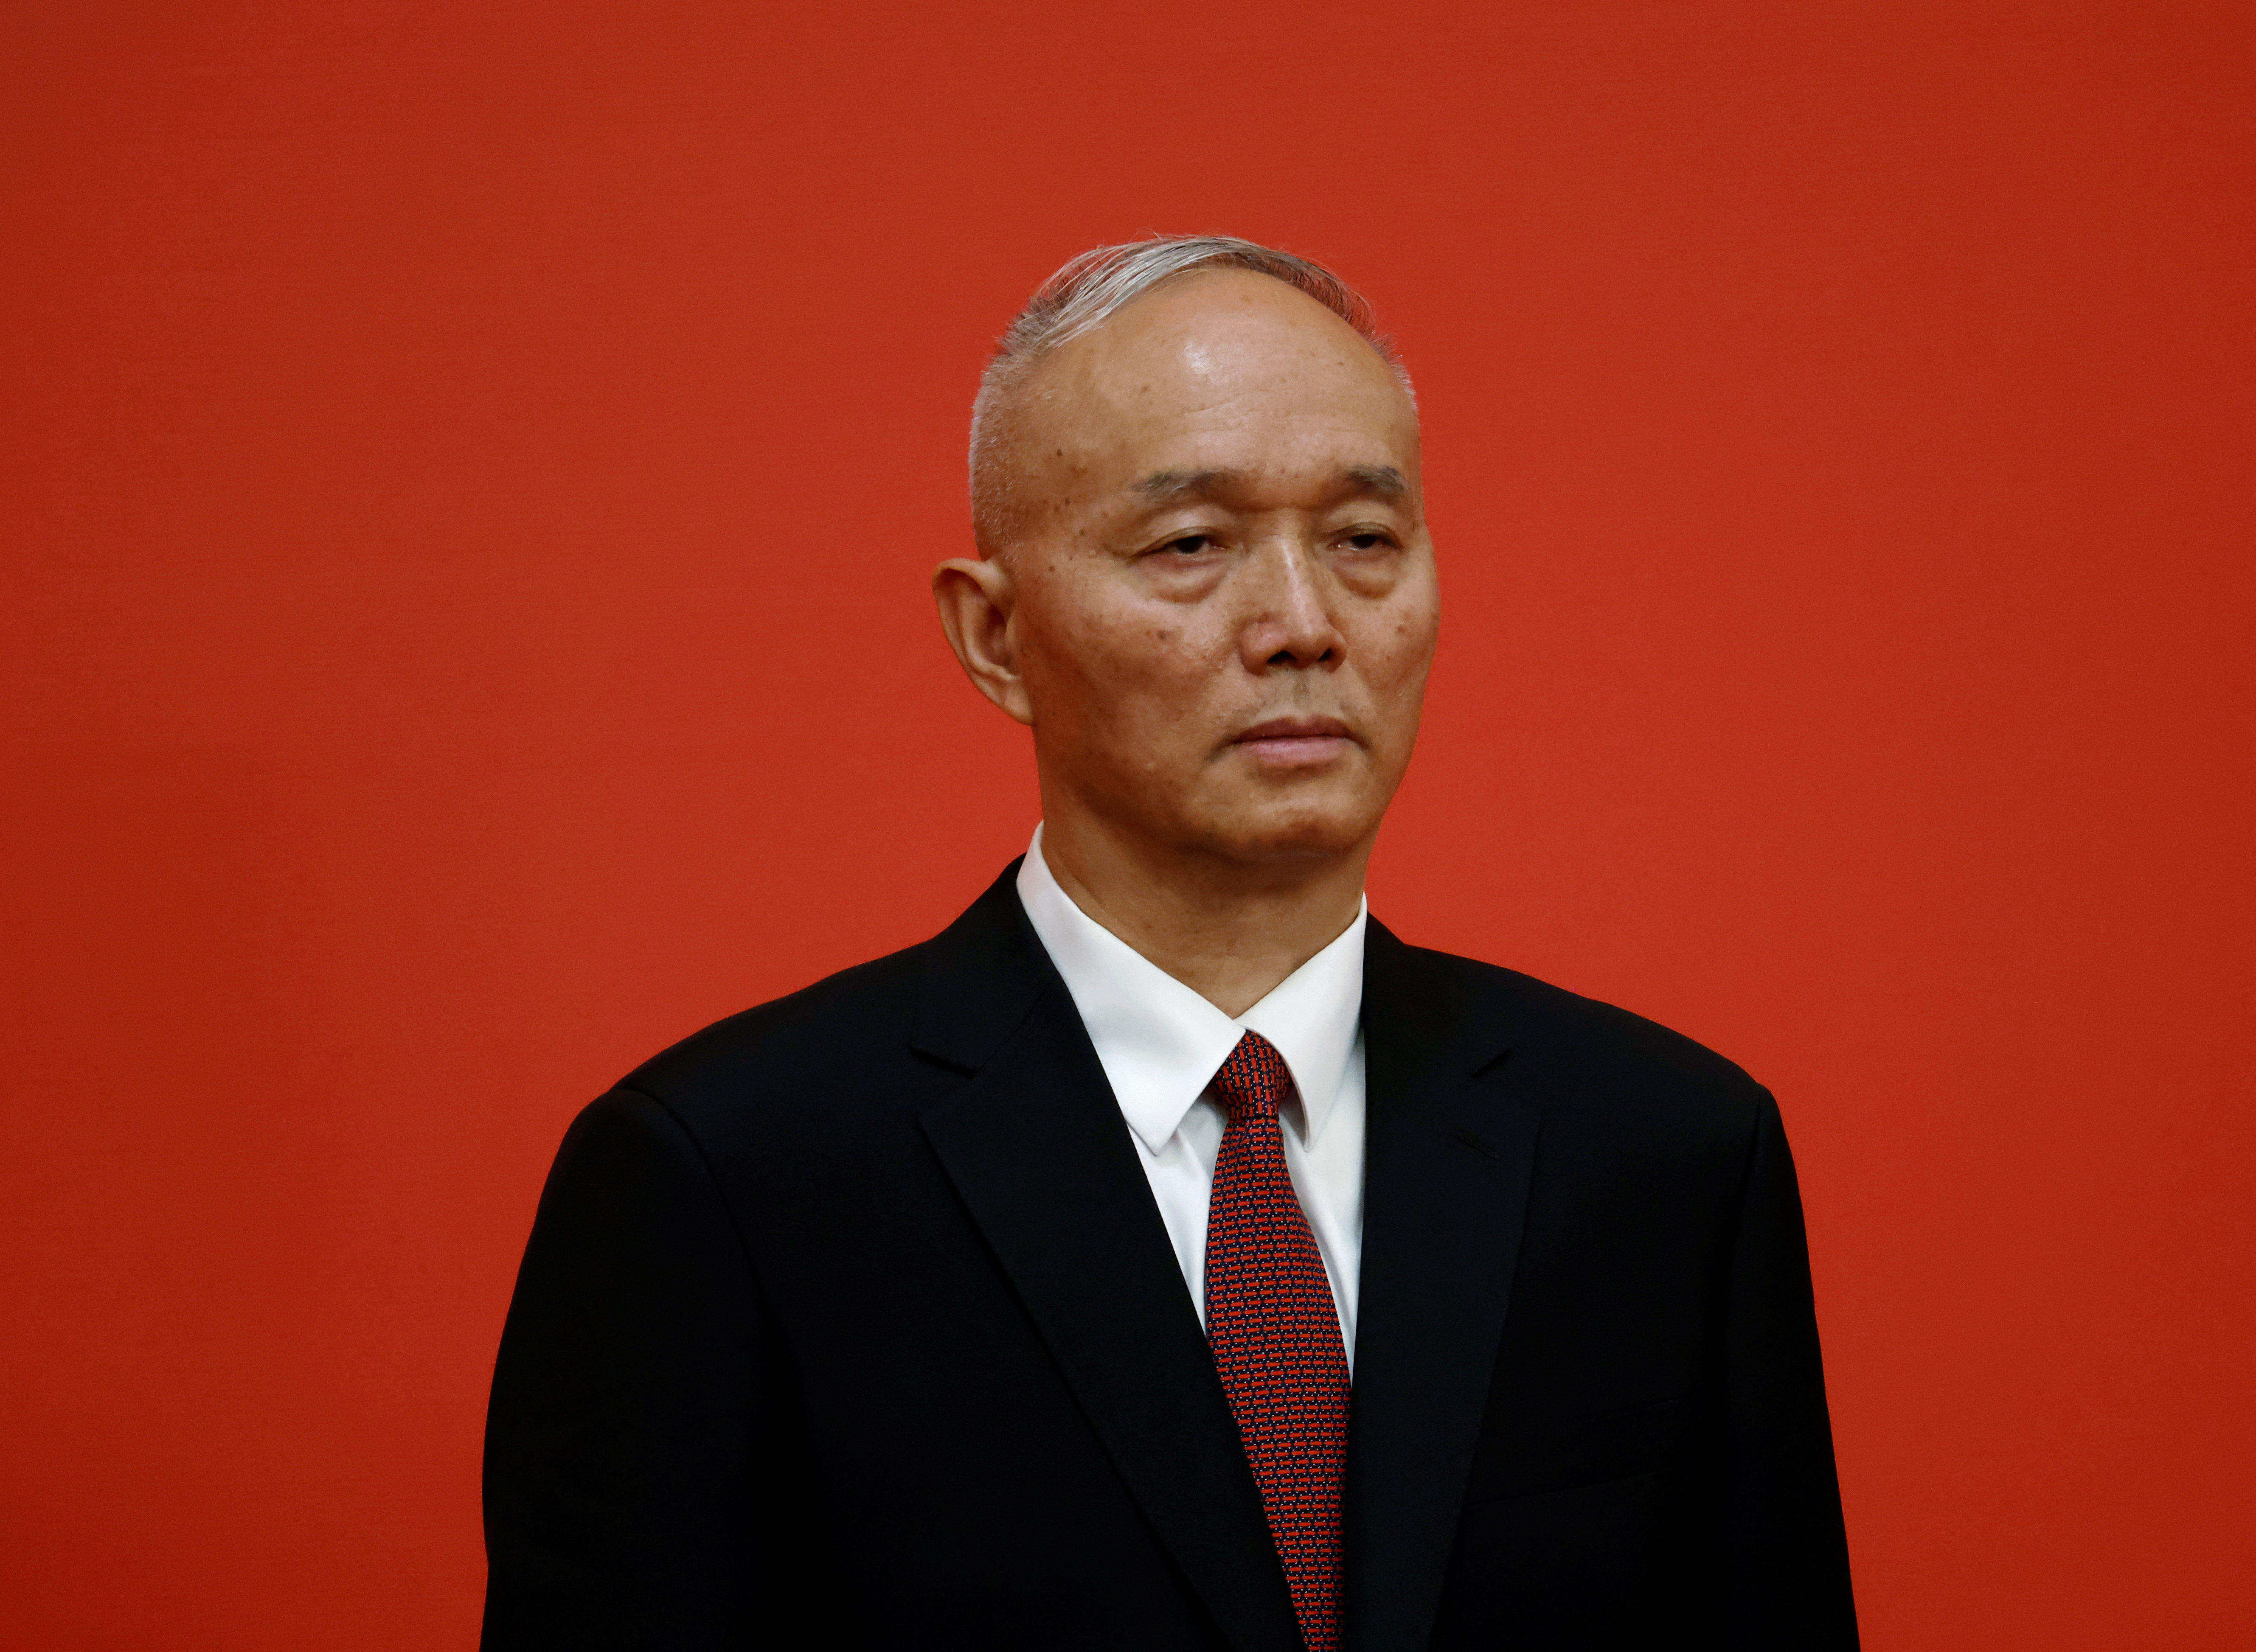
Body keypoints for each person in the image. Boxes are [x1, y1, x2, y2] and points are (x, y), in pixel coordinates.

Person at [481, 235, 1860, 1652]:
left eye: (1364, 540)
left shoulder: (1668, 1156)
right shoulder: (723, 1183)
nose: (1304, 625)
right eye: (1192, 546)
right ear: (997, 636)